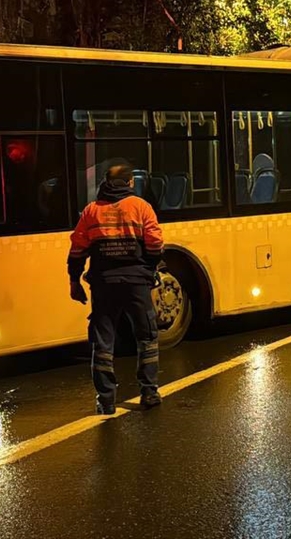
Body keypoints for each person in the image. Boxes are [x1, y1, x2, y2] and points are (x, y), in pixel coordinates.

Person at [67, 163, 165, 415]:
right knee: (146, 336)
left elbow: (77, 250)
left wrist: (74, 281)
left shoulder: (91, 211)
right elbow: (155, 243)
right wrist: (149, 268)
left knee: (102, 342)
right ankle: (149, 391)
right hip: (136, 284)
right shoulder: (141, 207)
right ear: (130, 183)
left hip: (103, 284)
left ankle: (106, 399)